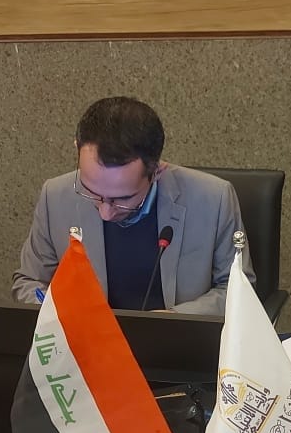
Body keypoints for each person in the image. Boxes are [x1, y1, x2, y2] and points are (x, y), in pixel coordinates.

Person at [13, 96, 254, 314]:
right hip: (87, 344)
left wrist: (175, 321)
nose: (105, 213)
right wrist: (60, 316)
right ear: (77, 149)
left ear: (157, 171)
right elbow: (29, 282)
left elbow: (238, 291)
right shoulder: (55, 196)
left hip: (178, 343)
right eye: (91, 192)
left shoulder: (213, 199)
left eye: (122, 199)